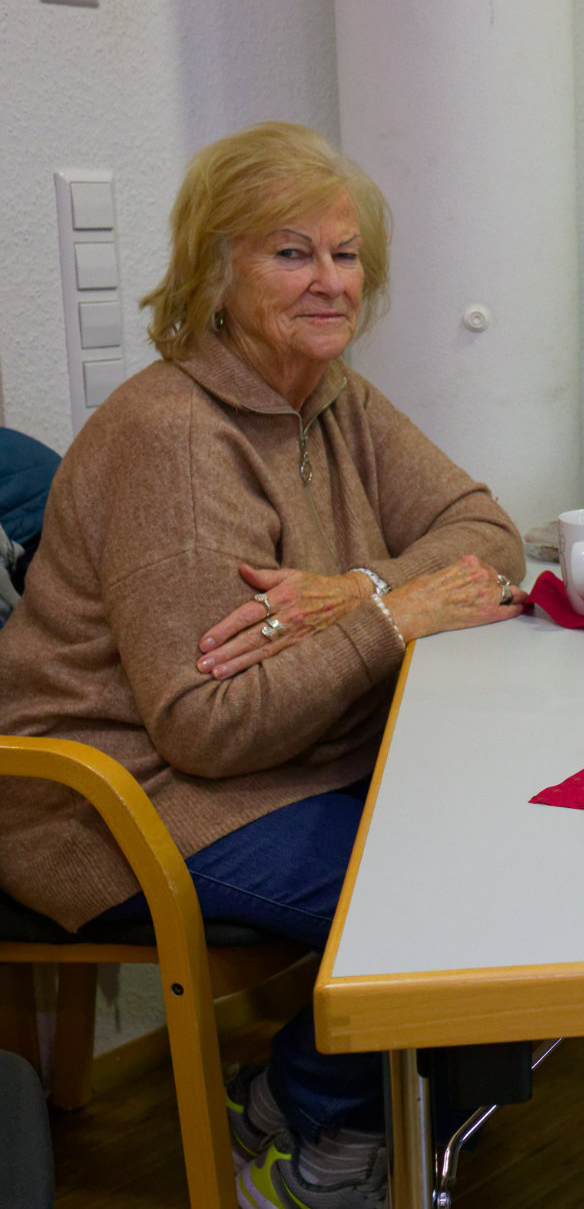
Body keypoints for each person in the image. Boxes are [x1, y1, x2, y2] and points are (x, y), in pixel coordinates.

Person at [0, 121, 529, 1209]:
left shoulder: (332, 395)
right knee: (460, 900)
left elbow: (487, 535)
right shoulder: (177, 439)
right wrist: (395, 615)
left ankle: (295, 1097)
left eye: (346, 253)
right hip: (125, 796)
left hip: (282, 763)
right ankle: (321, 1153)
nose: (330, 281)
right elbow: (208, 723)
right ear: (216, 272)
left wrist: (359, 588)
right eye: (292, 252)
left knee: (521, 843)